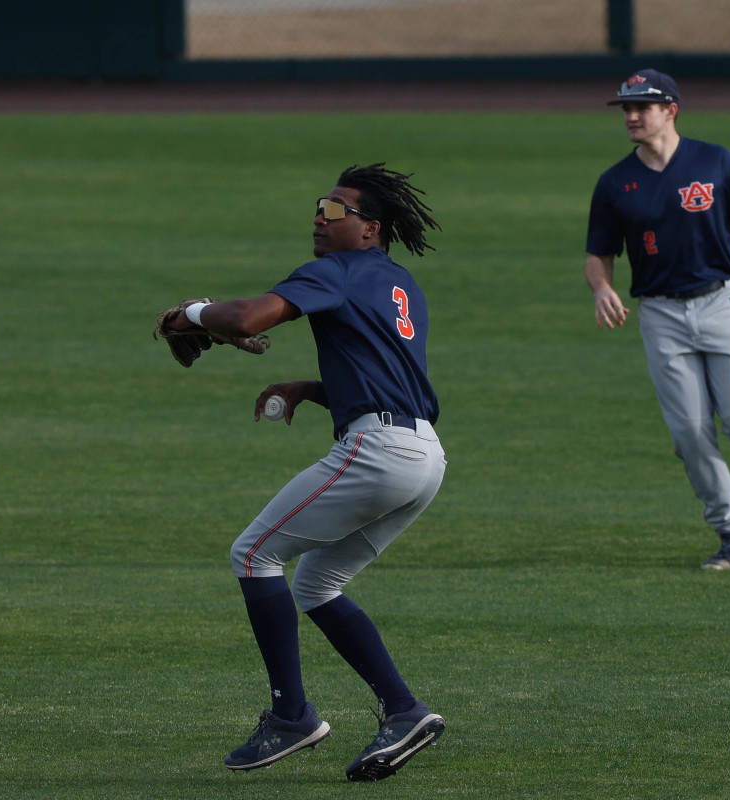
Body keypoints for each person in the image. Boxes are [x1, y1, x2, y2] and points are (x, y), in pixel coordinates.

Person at [162, 164, 447, 781]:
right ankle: (403, 711)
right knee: (316, 584)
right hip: (424, 457)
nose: (321, 216)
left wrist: (193, 310)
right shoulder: (399, 284)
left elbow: (246, 319)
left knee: (253, 552)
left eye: (337, 209)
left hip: (378, 454)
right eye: (320, 206)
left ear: (370, 229)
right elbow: (389, 380)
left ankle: (291, 716)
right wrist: (311, 390)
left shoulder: (333, 271)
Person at [584, 69, 730, 570]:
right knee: (689, 435)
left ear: (671, 110)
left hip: (720, 304)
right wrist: (601, 287)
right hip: (660, 315)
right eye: (626, 108)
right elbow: (599, 254)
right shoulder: (615, 183)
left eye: (643, 106)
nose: (632, 116)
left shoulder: (716, 162)